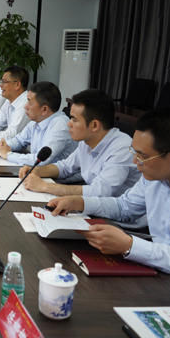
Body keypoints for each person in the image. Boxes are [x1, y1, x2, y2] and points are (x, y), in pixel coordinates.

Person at [47, 108, 170, 273]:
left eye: (143, 156)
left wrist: (129, 246)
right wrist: (79, 202)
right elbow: (124, 206)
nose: (135, 161)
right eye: (134, 153)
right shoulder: (153, 178)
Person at [21, 89, 141, 197]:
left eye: (74, 120)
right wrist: (36, 170)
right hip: (95, 206)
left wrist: (45, 186)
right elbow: (65, 167)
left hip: (117, 213)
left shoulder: (122, 149)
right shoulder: (86, 141)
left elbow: (98, 192)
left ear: (94, 125)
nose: (69, 123)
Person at [0, 81, 77, 166]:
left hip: (56, 174)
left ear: (44, 109)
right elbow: (19, 140)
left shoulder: (60, 125)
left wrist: (8, 155)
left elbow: (40, 160)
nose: (25, 106)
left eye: (29, 103)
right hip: (39, 172)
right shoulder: (36, 121)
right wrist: (3, 146)